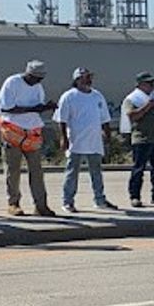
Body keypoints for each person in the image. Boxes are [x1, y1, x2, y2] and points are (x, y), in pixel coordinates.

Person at [0, 59, 57, 218]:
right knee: (13, 170)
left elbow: (37, 107)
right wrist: (35, 108)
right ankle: (13, 203)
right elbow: (6, 108)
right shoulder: (12, 82)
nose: (37, 81)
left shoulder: (38, 86)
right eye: (35, 78)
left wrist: (45, 108)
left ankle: (40, 205)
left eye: (40, 79)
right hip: (13, 130)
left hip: (32, 131)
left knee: (36, 171)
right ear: (28, 74)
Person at [55, 67, 117, 212]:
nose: (89, 79)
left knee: (96, 171)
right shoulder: (69, 96)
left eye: (89, 76)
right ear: (77, 79)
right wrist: (64, 138)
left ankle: (100, 199)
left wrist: (107, 134)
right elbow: (61, 120)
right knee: (72, 172)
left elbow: (105, 118)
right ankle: (68, 201)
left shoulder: (97, 95)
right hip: (76, 140)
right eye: (85, 77)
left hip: (94, 140)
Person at [121, 71, 154, 207]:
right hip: (142, 139)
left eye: (152, 83)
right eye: (148, 83)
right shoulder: (133, 99)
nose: (151, 85)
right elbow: (132, 116)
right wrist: (147, 106)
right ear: (140, 84)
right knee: (139, 169)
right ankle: (135, 196)